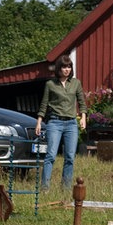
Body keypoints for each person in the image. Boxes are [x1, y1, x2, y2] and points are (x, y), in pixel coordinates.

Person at [35, 55, 87, 190]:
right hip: (54, 123)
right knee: (51, 155)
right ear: (59, 68)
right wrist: (39, 122)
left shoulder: (76, 83)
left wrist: (83, 118)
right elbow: (44, 104)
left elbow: (82, 102)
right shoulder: (50, 84)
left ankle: (66, 188)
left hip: (71, 124)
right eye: (64, 67)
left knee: (70, 157)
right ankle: (45, 188)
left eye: (69, 67)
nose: (67, 69)